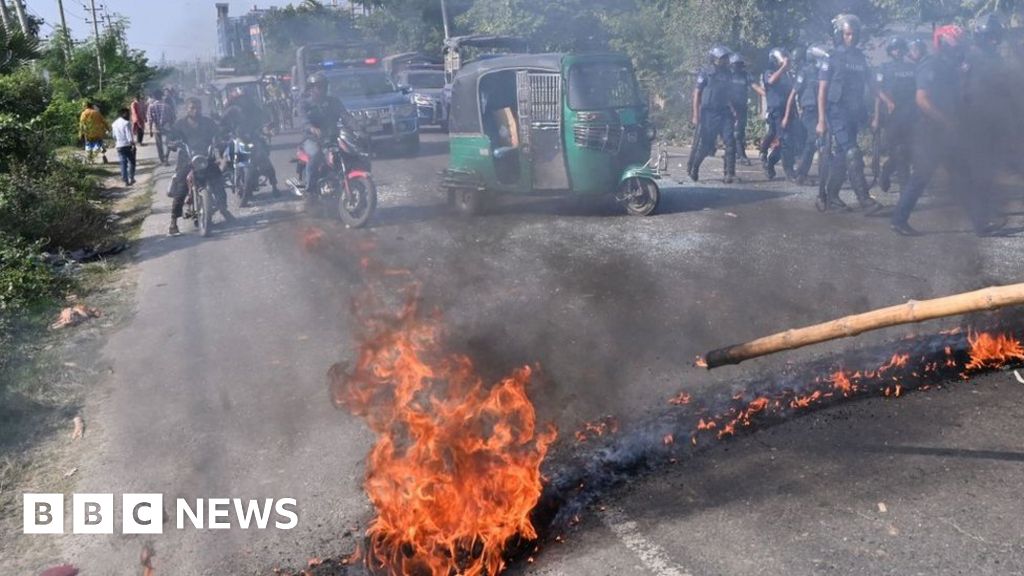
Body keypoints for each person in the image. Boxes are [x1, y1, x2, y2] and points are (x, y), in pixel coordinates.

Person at [890, 25, 1004, 237]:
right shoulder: (930, 65)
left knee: (963, 177)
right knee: (921, 178)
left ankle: (980, 223)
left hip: (948, 133)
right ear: (942, 44)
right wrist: (946, 122)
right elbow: (921, 100)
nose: (959, 48)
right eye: (955, 44)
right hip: (931, 133)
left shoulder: (952, 67)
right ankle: (898, 220)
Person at [817, 13, 883, 214]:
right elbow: (823, 90)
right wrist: (821, 120)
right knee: (853, 152)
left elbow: (872, 87)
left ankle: (832, 197)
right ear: (840, 34)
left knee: (841, 157)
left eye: (854, 34)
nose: (851, 38)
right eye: (847, 34)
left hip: (856, 112)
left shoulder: (861, 59)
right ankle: (865, 200)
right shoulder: (832, 58)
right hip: (836, 111)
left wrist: (878, 111)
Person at [166, 97, 232, 236]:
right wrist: (172, 143)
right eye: (192, 108)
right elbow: (170, 138)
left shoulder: (208, 122)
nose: (195, 111)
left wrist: (222, 141)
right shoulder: (180, 125)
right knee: (181, 189)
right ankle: (173, 222)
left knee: (218, 182)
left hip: (206, 158)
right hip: (187, 160)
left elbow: (219, 134)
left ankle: (224, 210)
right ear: (186, 109)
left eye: (198, 108)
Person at [300, 72, 356, 194]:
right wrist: (312, 128)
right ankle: (310, 188)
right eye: (319, 86)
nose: (322, 89)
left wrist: (356, 125)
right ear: (311, 88)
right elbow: (304, 120)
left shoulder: (334, 101)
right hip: (312, 139)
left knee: (351, 150)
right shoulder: (305, 104)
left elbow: (345, 115)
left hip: (332, 137)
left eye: (324, 86)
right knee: (316, 155)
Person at [221, 87, 281, 201]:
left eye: (244, 98)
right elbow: (221, 123)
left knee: (265, 160)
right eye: (240, 98)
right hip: (236, 138)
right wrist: (222, 132)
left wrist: (267, 128)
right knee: (223, 162)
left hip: (253, 137)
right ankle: (219, 184)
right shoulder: (230, 110)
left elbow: (265, 119)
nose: (242, 101)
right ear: (235, 99)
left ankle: (274, 186)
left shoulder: (254, 108)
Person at [874, 37, 917, 193]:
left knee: (908, 151)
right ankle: (904, 190)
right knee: (899, 151)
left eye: (900, 48)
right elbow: (877, 91)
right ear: (890, 51)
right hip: (891, 116)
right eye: (894, 48)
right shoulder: (884, 68)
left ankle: (886, 170)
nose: (897, 51)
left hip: (910, 115)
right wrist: (877, 116)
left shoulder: (912, 68)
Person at [689, 45, 737, 183]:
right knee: (706, 146)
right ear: (715, 59)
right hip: (708, 114)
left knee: (730, 142)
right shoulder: (706, 73)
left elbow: (728, 94)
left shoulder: (728, 73)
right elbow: (697, 94)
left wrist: (733, 110)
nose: (726, 60)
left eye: (726, 57)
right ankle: (694, 168)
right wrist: (695, 115)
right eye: (723, 58)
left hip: (724, 112)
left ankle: (729, 173)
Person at [787, 46, 822, 185]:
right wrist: (787, 115)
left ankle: (827, 173)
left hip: (822, 111)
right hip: (810, 111)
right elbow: (793, 94)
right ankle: (801, 174)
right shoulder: (805, 72)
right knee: (812, 140)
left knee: (821, 142)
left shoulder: (822, 72)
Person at [761, 47, 795, 180]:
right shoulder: (769, 72)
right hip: (776, 111)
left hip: (788, 110)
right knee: (784, 140)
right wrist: (783, 68)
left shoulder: (787, 74)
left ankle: (771, 161)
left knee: (789, 141)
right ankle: (789, 170)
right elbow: (771, 81)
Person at [728, 53, 763, 166]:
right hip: (729, 107)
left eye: (740, 64)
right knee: (736, 132)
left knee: (740, 131)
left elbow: (755, 86)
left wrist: (766, 93)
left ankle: (736, 153)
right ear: (732, 65)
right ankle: (741, 156)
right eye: (737, 65)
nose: (739, 67)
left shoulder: (745, 75)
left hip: (742, 107)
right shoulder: (728, 76)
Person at [147, 90, 175, 165]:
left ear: (154, 97)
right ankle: (166, 157)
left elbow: (150, 119)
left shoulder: (151, 106)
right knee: (169, 143)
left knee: (159, 145)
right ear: (162, 96)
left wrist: (150, 130)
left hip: (156, 128)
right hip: (167, 127)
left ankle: (162, 159)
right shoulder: (167, 106)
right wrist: (172, 127)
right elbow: (172, 118)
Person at [111, 107, 136, 186]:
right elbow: (129, 136)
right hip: (126, 145)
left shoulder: (114, 123)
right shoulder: (126, 123)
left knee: (123, 163)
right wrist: (133, 144)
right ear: (123, 114)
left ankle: (125, 180)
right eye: (128, 114)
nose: (129, 115)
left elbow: (114, 136)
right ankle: (131, 178)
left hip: (119, 146)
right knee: (132, 161)